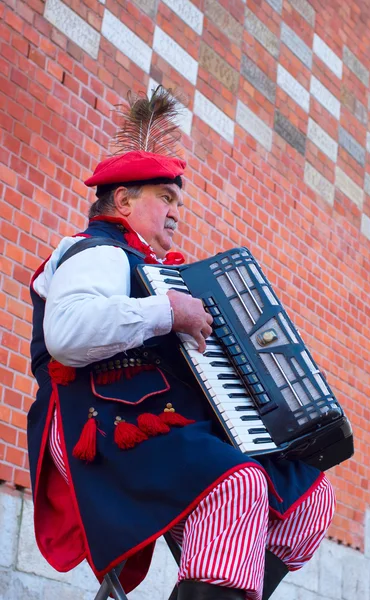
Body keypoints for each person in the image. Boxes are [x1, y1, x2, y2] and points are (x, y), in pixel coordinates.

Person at [28, 88, 335, 600]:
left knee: (311, 496)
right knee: (236, 484)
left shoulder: (160, 271)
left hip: (163, 427)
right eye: (165, 198)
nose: (176, 213)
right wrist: (169, 311)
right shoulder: (96, 251)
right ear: (123, 199)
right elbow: (67, 334)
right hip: (100, 427)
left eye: (179, 204)